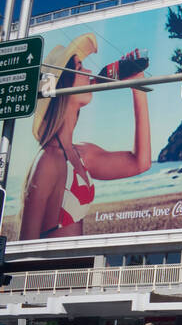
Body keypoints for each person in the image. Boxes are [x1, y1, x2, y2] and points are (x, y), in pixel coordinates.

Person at [19, 35, 152, 240]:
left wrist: (137, 87)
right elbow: (25, 245)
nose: (90, 72)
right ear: (63, 85)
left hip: (76, 271)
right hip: (54, 272)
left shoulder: (82, 154)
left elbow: (140, 163)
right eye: (80, 68)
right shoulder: (48, 161)